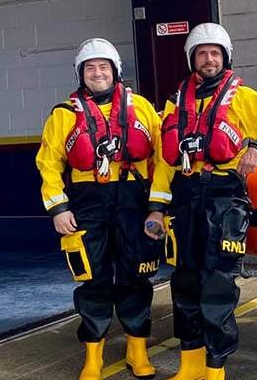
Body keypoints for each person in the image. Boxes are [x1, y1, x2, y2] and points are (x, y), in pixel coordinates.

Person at [145, 22, 257, 380]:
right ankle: (190, 363)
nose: (208, 59)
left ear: (225, 57)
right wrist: (156, 208)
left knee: (217, 283)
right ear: (191, 59)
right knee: (185, 281)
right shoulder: (175, 103)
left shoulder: (244, 97)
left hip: (224, 196)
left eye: (215, 53)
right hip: (185, 197)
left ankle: (215, 367)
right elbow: (166, 163)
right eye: (201, 53)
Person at [36, 38, 164, 380]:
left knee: (136, 276)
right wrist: (59, 208)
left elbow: (162, 159)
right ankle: (93, 357)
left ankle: (137, 351)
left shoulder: (143, 108)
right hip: (86, 202)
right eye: (90, 68)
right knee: (92, 279)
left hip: (133, 201)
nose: (97, 73)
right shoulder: (64, 115)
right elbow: (48, 164)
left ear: (115, 71)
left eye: (103, 67)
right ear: (81, 74)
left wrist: (159, 207)